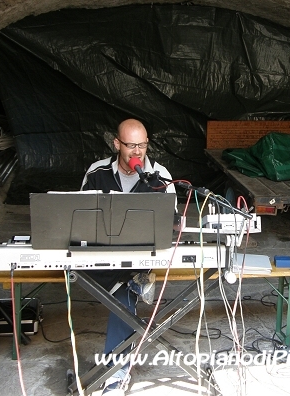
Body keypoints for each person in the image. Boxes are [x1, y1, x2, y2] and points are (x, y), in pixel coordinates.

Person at [81, 118, 176, 394]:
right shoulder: (96, 172)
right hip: (101, 258)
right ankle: (135, 284)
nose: (137, 152)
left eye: (143, 145)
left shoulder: (160, 174)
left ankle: (116, 372)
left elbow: (171, 226)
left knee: (122, 294)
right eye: (131, 145)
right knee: (122, 286)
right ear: (116, 144)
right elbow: (80, 220)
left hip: (141, 257)